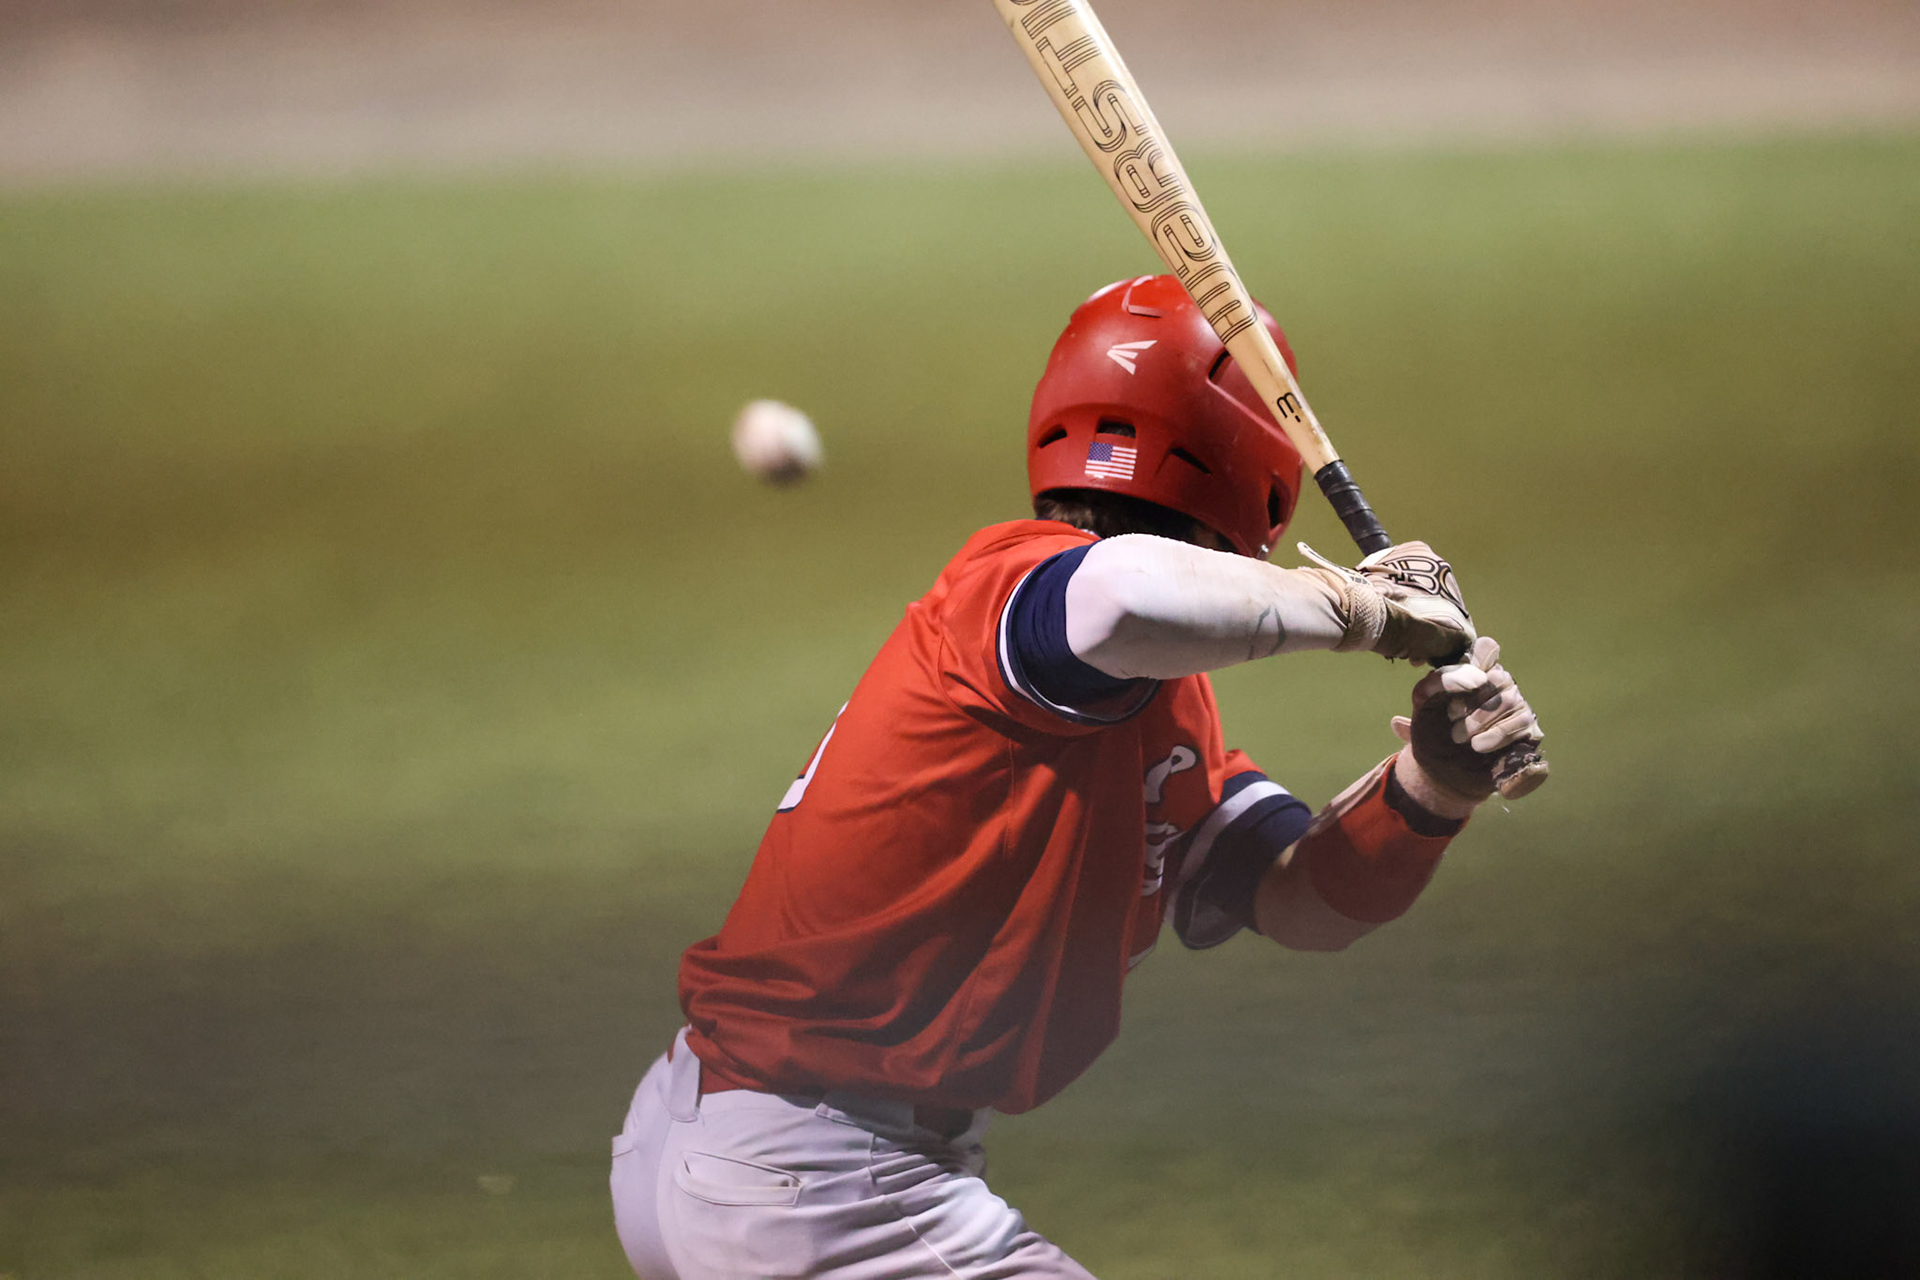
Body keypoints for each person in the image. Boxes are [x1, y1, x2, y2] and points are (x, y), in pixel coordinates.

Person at [609, 274, 1544, 1279]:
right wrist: (1362, 607)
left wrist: (1432, 785)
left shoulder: (1153, 693)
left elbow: (1301, 897)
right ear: (1260, 473)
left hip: (752, 1146)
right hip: (820, 1179)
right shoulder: (1017, 585)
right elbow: (1120, 592)